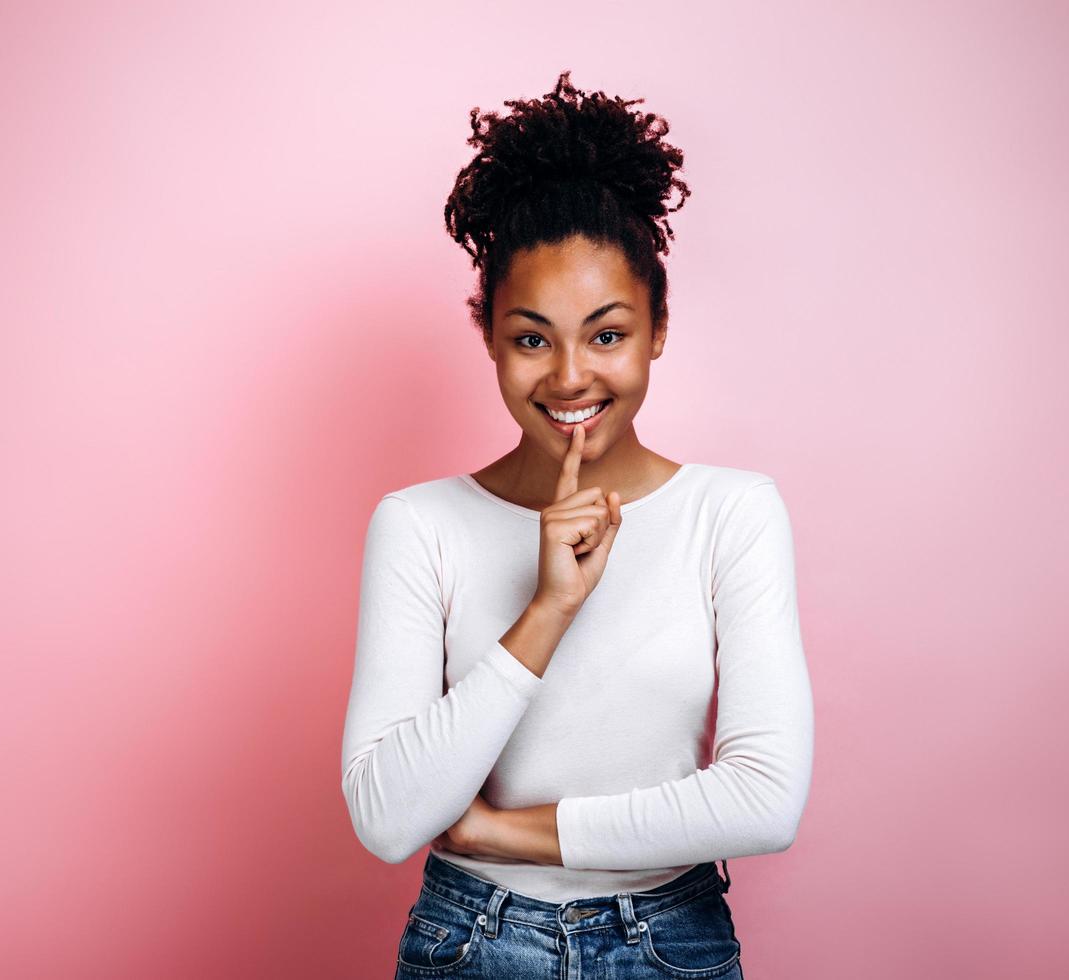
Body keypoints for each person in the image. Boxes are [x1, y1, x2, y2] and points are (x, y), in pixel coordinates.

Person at [340, 70, 814, 980]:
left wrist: (497, 831)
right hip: (472, 942)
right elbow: (388, 817)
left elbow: (764, 801)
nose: (568, 376)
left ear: (657, 329)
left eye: (605, 335)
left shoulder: (730, 512)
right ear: (487, 335)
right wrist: (548, 608)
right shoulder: (420, 526)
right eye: (531, 337)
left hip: (670, 943)